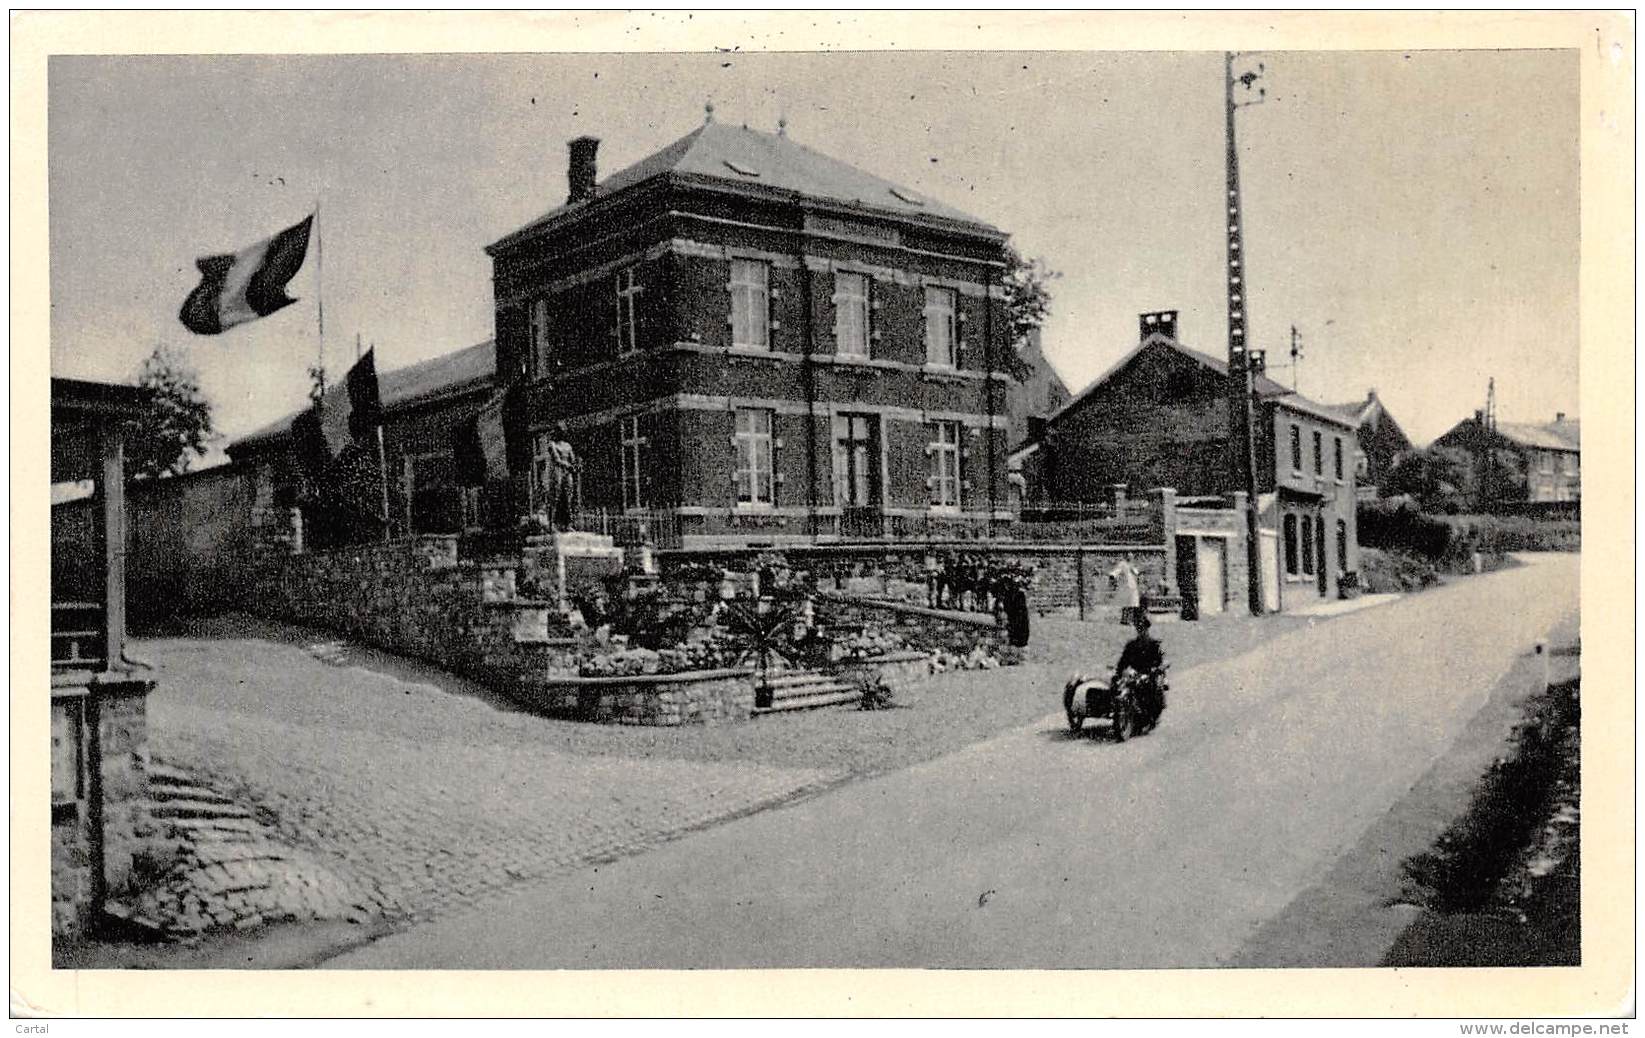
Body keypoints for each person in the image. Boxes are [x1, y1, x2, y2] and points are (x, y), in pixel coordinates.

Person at [1111, 611, 1166, 726]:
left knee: (1151, 688)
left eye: (1143, 628)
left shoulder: (1154, 645)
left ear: (1147, 629)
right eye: (1139, 628)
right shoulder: (1131, 645)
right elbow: (1123, 661)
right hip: (1134, 673)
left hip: (1148, 673)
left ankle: (1151, 714)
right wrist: (1118, 671)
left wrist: (1154, 669)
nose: (1141, 631)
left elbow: (1160, 661)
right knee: (1116, 684)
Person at [1109, 554, 1141, 624]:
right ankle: (1124, 620)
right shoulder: (1122, 564)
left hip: (1133, 586)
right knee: (1126, 604)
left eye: (1131, 557)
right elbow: (1117, 571)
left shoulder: (1132, 565)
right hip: (1126, 586)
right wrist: (1112, 575)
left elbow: (1137, 573)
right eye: (1129, 557)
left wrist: (1133, 568)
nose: (1130, 558)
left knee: (1133, 604)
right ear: (1126, 557)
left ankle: (1131, 619)